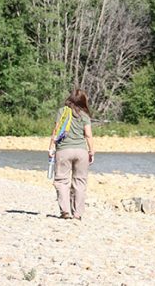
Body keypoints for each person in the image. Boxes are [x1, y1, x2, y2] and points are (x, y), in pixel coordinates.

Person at [48, 89, 95, 220]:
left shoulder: (62, 111)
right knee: (80, 182)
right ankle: (78, 213)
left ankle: (65, 211)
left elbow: (56, 130)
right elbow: (88, 135)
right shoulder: (84, 115)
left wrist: (51, 147)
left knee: (62, 180)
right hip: (81, 151)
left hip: (63, 150)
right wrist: (91, 151)